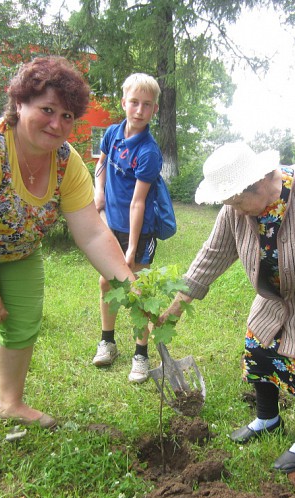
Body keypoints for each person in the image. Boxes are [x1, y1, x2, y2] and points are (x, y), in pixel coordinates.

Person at [0, 57, 138, 476]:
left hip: (16, 247)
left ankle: (10, 404)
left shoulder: (67, 162)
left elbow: (90, 231)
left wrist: (129, 283)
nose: (56, 123)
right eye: (46, 110)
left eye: (67, 115)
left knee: (24, 321)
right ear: (19, 104)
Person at [160, 142, 295, 472]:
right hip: (271, 303)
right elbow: (212, 255)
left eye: (239, 202)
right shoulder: (235, 208)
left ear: (259, 184)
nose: (236, 211)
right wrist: (176, 305)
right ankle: (267, 419)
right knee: (259, 352)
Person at [91, 73, 164, 383]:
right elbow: (101, 166)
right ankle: (107, 341)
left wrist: (132, 247)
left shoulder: (149, 152)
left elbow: (138, 203)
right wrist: (98, 194)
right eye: (134, 102)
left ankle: (141, 354)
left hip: (139, 230)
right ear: (124, 103)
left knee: (138, 289)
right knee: (107, 283)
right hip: (110, 225)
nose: (138, 110)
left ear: (154, 110)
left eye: (146, 105)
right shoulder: (112, 133)